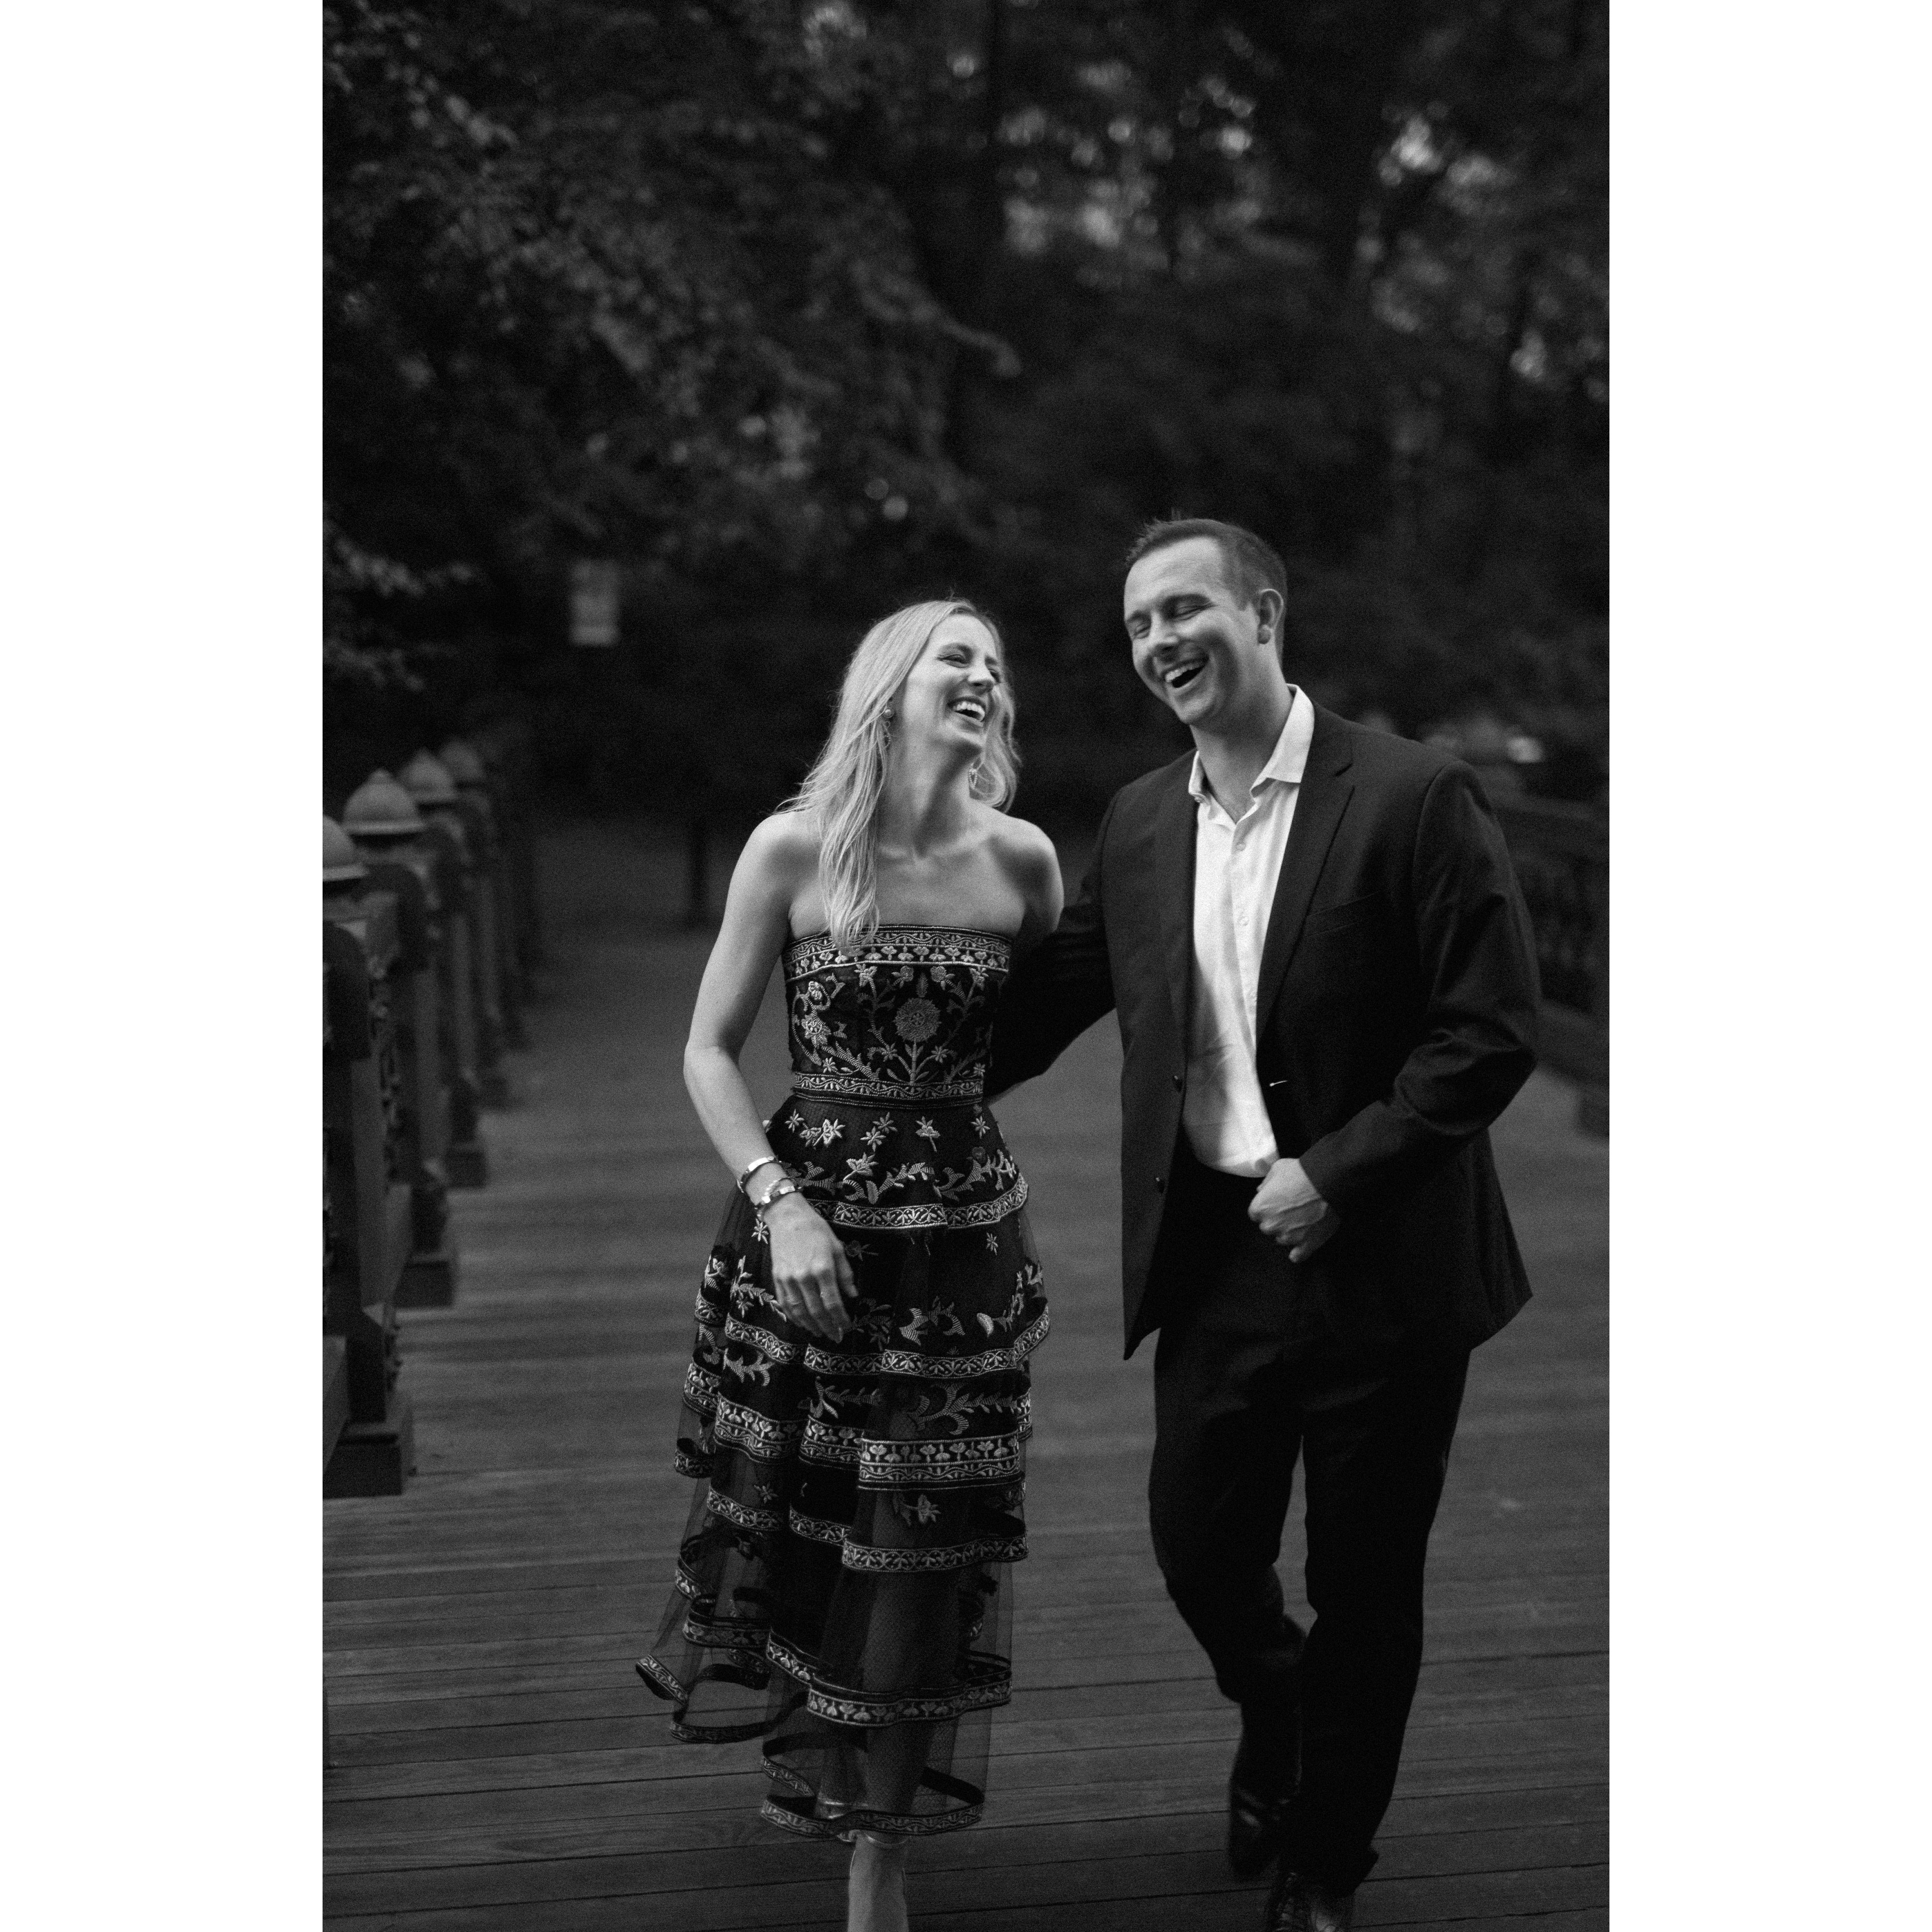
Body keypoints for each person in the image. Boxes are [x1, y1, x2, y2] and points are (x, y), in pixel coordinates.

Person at [986, 520, 1541, 1932]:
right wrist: (873, 1076)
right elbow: (1044, 1007)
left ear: (1265, 613)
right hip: (1216, 1252)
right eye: (1137, 623)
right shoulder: (1139, 823)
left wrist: (1340, 1173)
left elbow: (1489, 1031)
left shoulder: (1413, 795)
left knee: (1367, 1582)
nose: (1159, 641)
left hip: (1386, 1259)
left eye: (1185, 608)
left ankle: (1328, 1863)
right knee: (1198, 1544)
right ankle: (1279, 1710)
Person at [637, 600, 1063, 1932]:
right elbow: (707, 1050)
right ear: (892, 683)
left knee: (924, 1538)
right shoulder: (795, 848)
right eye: (957, 656)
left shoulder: (1025, 863)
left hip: (962, 1264)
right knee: (809, 1516)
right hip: (804, 1237)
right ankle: (819, 1753)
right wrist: (784, 1203)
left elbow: (1039, 1031)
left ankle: (881, 1845)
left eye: (996, 664)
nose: (983, 676)